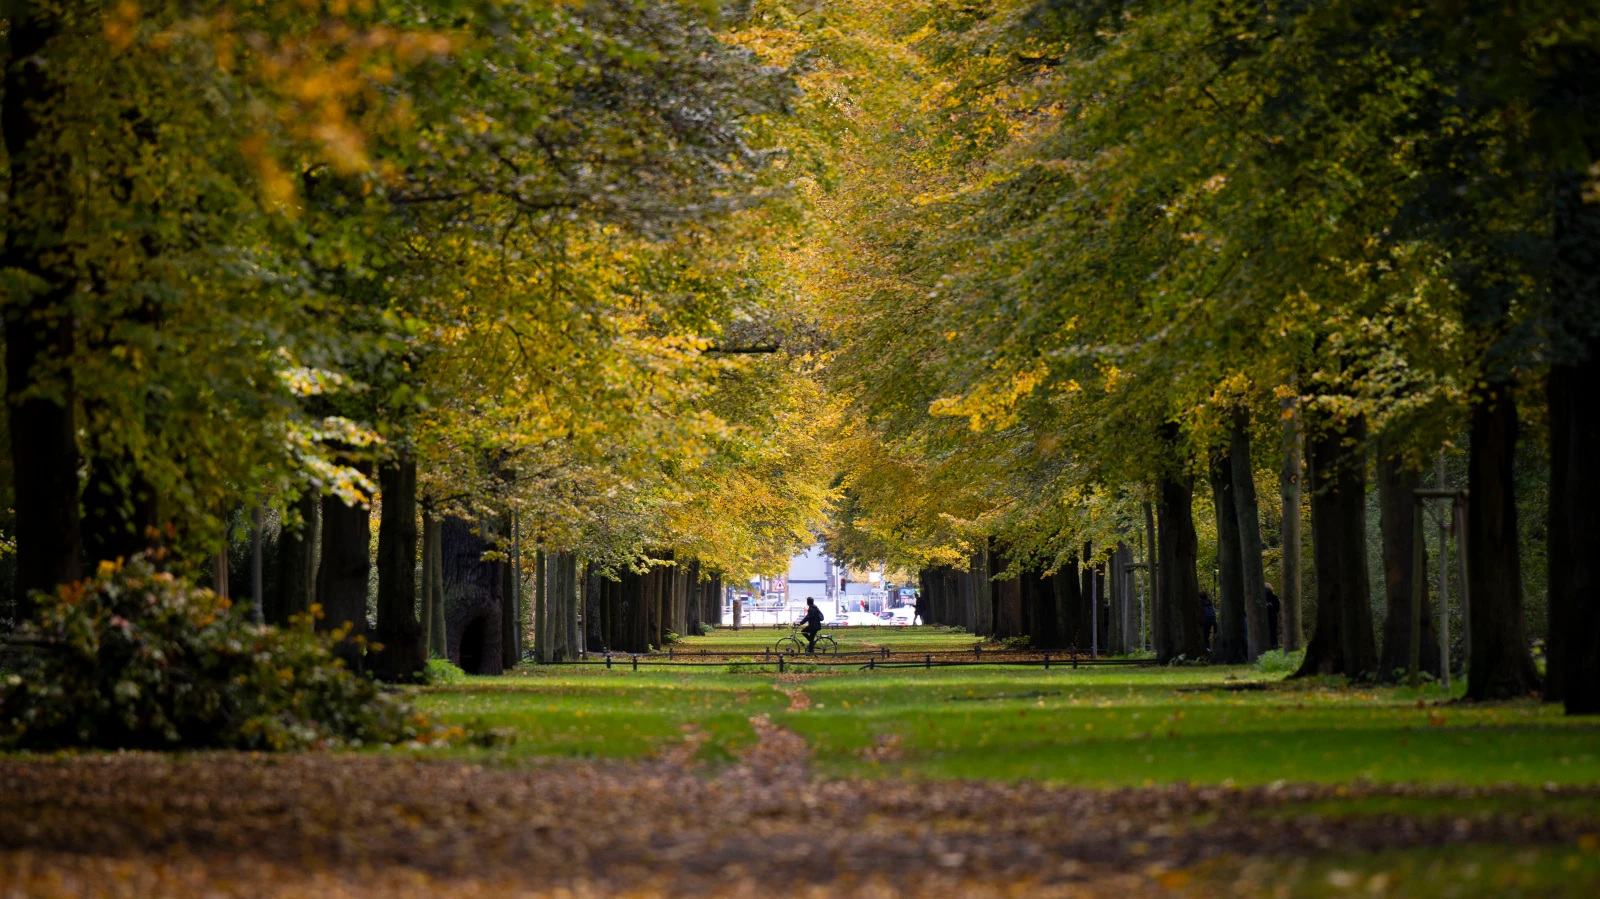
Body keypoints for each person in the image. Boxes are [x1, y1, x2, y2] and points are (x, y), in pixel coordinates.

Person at [1263, 582, 1282, 650]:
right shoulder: (1275, 597)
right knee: (1273, 633)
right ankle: (1274, 646)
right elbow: (1277, 610)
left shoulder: (1260, 598)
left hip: (1263, 619)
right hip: (1272, 618)